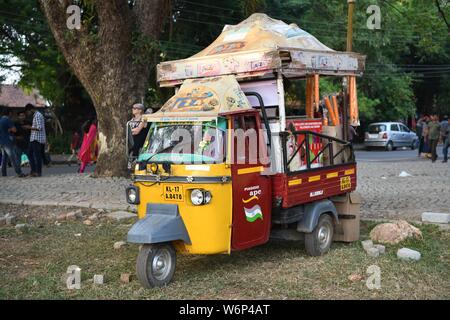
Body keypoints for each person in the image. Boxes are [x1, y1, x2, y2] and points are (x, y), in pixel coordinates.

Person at [0, 108, 26, 177]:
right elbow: (14, 130)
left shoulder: (1, 120)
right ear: (9, 113)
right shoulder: (8, 120)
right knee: (13, 158)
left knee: (4, 158)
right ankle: (19, 172)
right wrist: (11, 129)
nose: (12, 114)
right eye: (11, 113)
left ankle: (3, 173)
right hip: (8, 142)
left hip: (2, 142)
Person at [26, 103, 47, 177]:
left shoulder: (37, 115)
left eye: (28, 112)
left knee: (37, 156)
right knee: (29, 154)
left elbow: (39, 128)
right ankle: (34, 171)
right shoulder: (36, 115)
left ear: (31, 109)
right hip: (34, 138)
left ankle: (37, 172)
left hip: (37, 138)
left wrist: (29, 127)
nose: (28, 113)